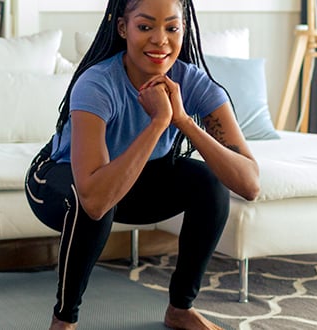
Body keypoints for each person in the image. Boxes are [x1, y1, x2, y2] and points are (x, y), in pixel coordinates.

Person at [25, 0, 260, 329]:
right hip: (57, 182)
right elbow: (94, 199)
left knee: (209, 181)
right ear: (123, 28)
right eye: (146, 27)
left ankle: (180, 309)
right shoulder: (97, 84)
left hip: (132, 183)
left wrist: (181, 120)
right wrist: (158, 122)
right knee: (95, 198)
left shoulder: (192, 82)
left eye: (172, 28)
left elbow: (249, 184)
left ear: (184, 30)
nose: (160, 40)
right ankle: (63, 321)